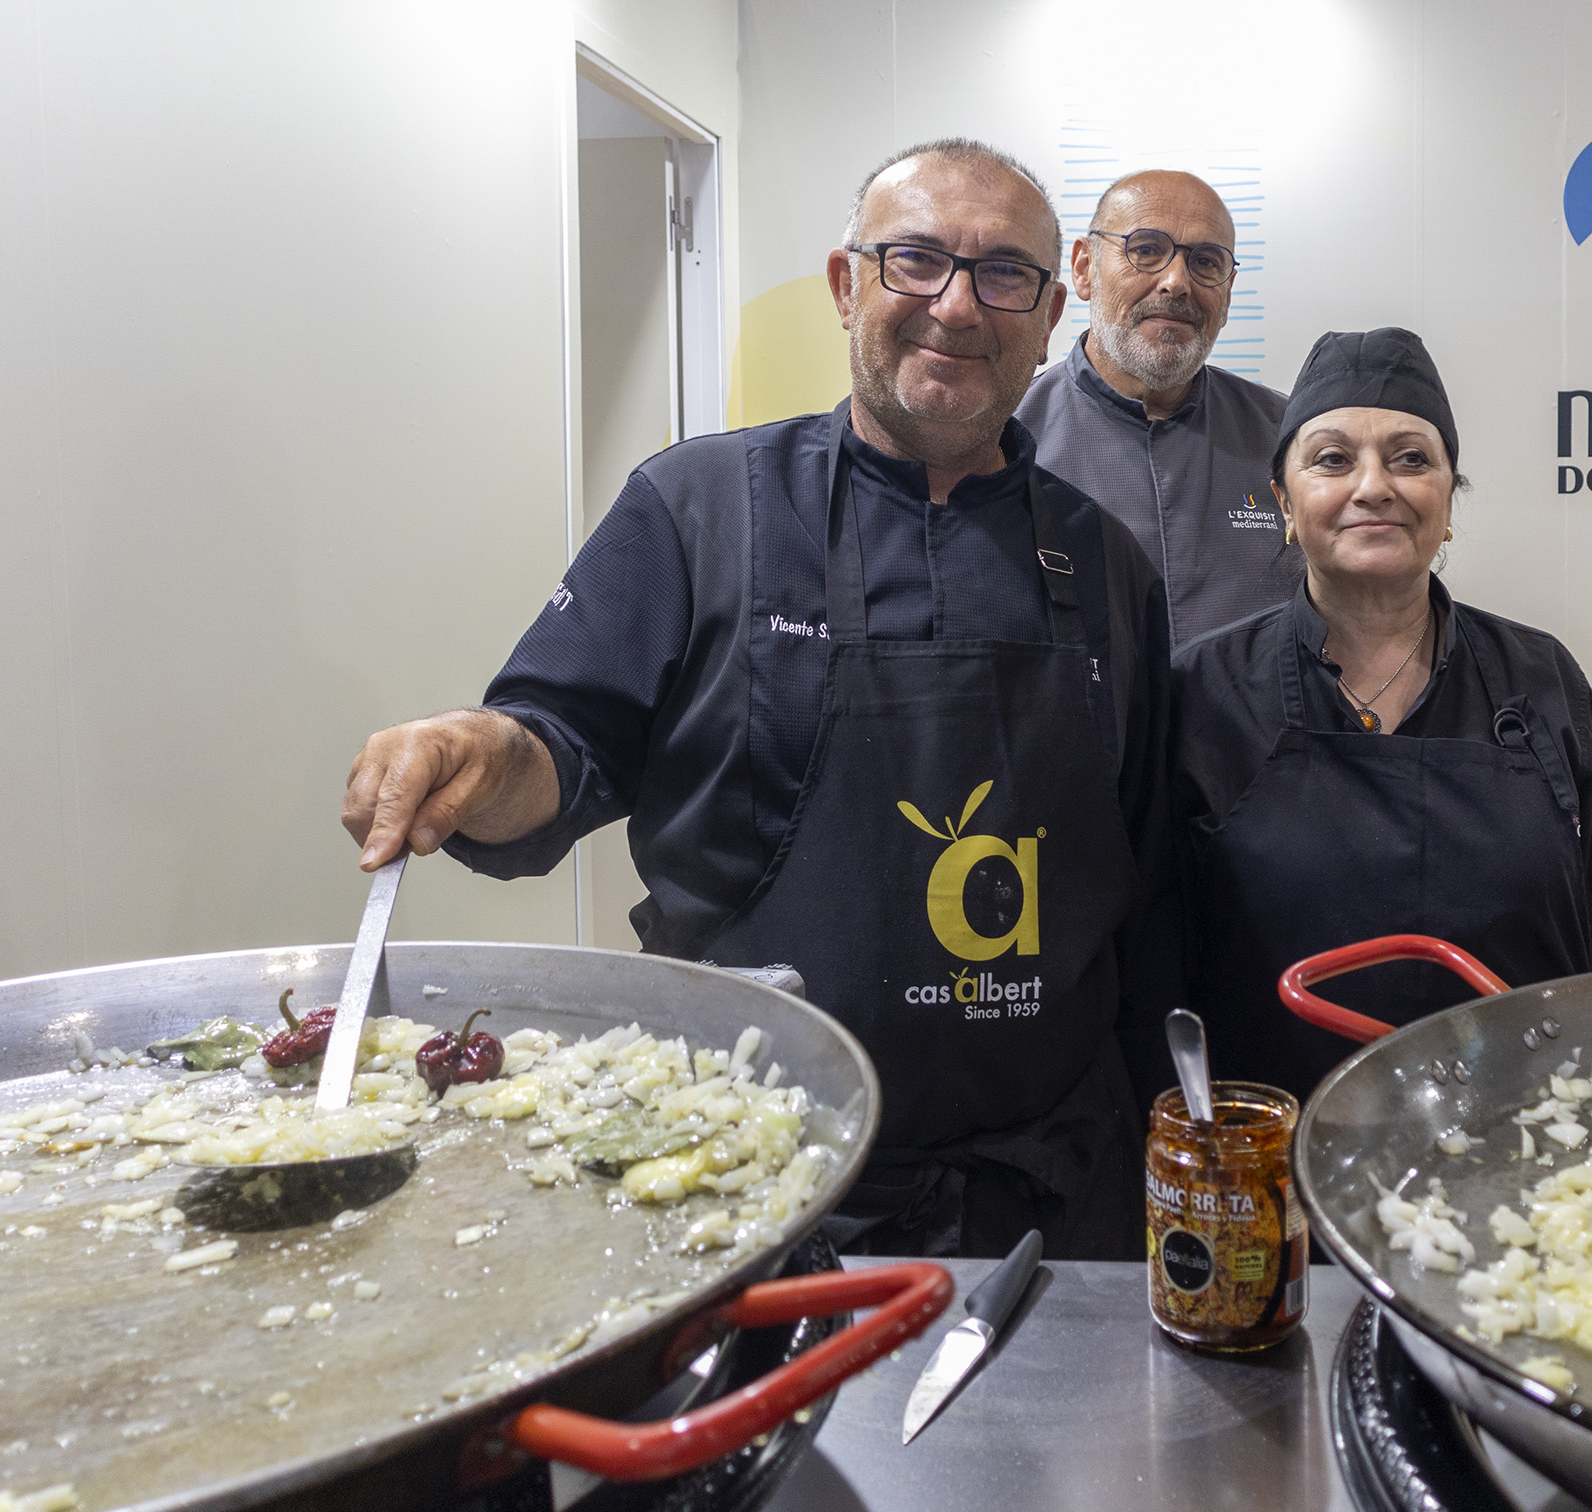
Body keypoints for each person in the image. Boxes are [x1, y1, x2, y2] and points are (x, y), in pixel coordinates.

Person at [340, 139, 1176, 1262]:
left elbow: (1142, 887)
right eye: (915, 260)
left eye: (1002, 275)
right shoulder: (699, 508)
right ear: (848, 284)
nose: (956, 305)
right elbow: (560, 749)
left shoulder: (1104, 563)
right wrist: (479, 753)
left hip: (1051, 1196)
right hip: (749, 1175)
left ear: (1047, 312)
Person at [1169, 328, 1592, 1101]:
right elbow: (1161, 965)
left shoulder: (1542, 676)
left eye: (1411, 458)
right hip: (1279, 1161)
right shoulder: (1202, 690)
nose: (1374, 485)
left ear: (1449, 500)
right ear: (1285, 503)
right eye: (1332, 459)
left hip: (1524, 1156)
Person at [1015, 170, 1294, 649]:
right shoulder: (1006, 441)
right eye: (1145, 250)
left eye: (1206, 262)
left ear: (1227, 294)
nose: (1176, 282)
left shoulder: (1289, 440)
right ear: (1083, 268)